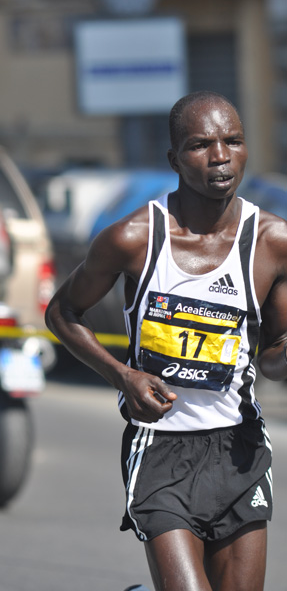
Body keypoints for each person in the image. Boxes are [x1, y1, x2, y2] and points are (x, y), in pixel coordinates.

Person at [45, 90, 287, 591]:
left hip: (237, 447)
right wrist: (122, 375)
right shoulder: (133, 238)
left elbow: (273, 361)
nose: (220, 157)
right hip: (159, 448)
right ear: (174, 159)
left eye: (233, 141)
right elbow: (62, 313)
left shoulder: (273, 243)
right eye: (201, 145)